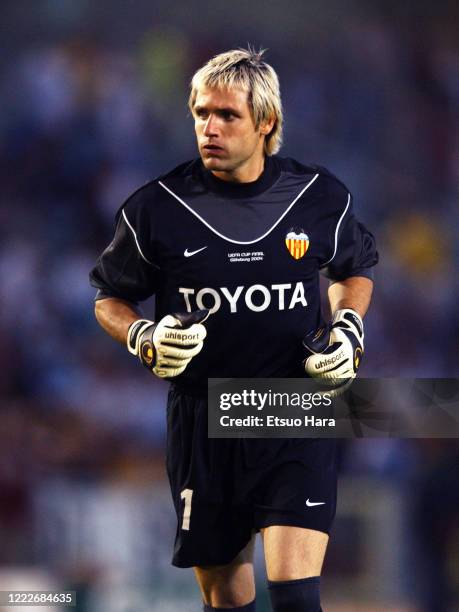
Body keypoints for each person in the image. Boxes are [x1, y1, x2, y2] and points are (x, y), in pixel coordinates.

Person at [90, 47, 378, 612]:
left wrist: (348, 326)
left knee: (297, 597)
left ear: (266, 122)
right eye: (200, 113)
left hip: (290, 407)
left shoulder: (319, 197)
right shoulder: (156, 208)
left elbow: (354, 268)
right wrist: (142, 336)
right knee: (228, 601)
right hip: (202, 417)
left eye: (226, 115)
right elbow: (110, 298)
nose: (209, 128)